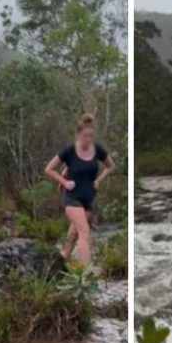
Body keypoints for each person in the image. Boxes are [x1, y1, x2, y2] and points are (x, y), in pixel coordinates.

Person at [44, 113, 115, 265]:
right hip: (72, 198)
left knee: (73, 236)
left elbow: (110, 166)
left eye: (91, 136)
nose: (88, 139)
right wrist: (64, 181)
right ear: (78, 134)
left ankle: (58, 264)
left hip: (88, 198)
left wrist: (98, 181)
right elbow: (49, 169)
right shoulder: (69, 151)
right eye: (85, 136)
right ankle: (86, 273)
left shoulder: (97, 150)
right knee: (85, 232)